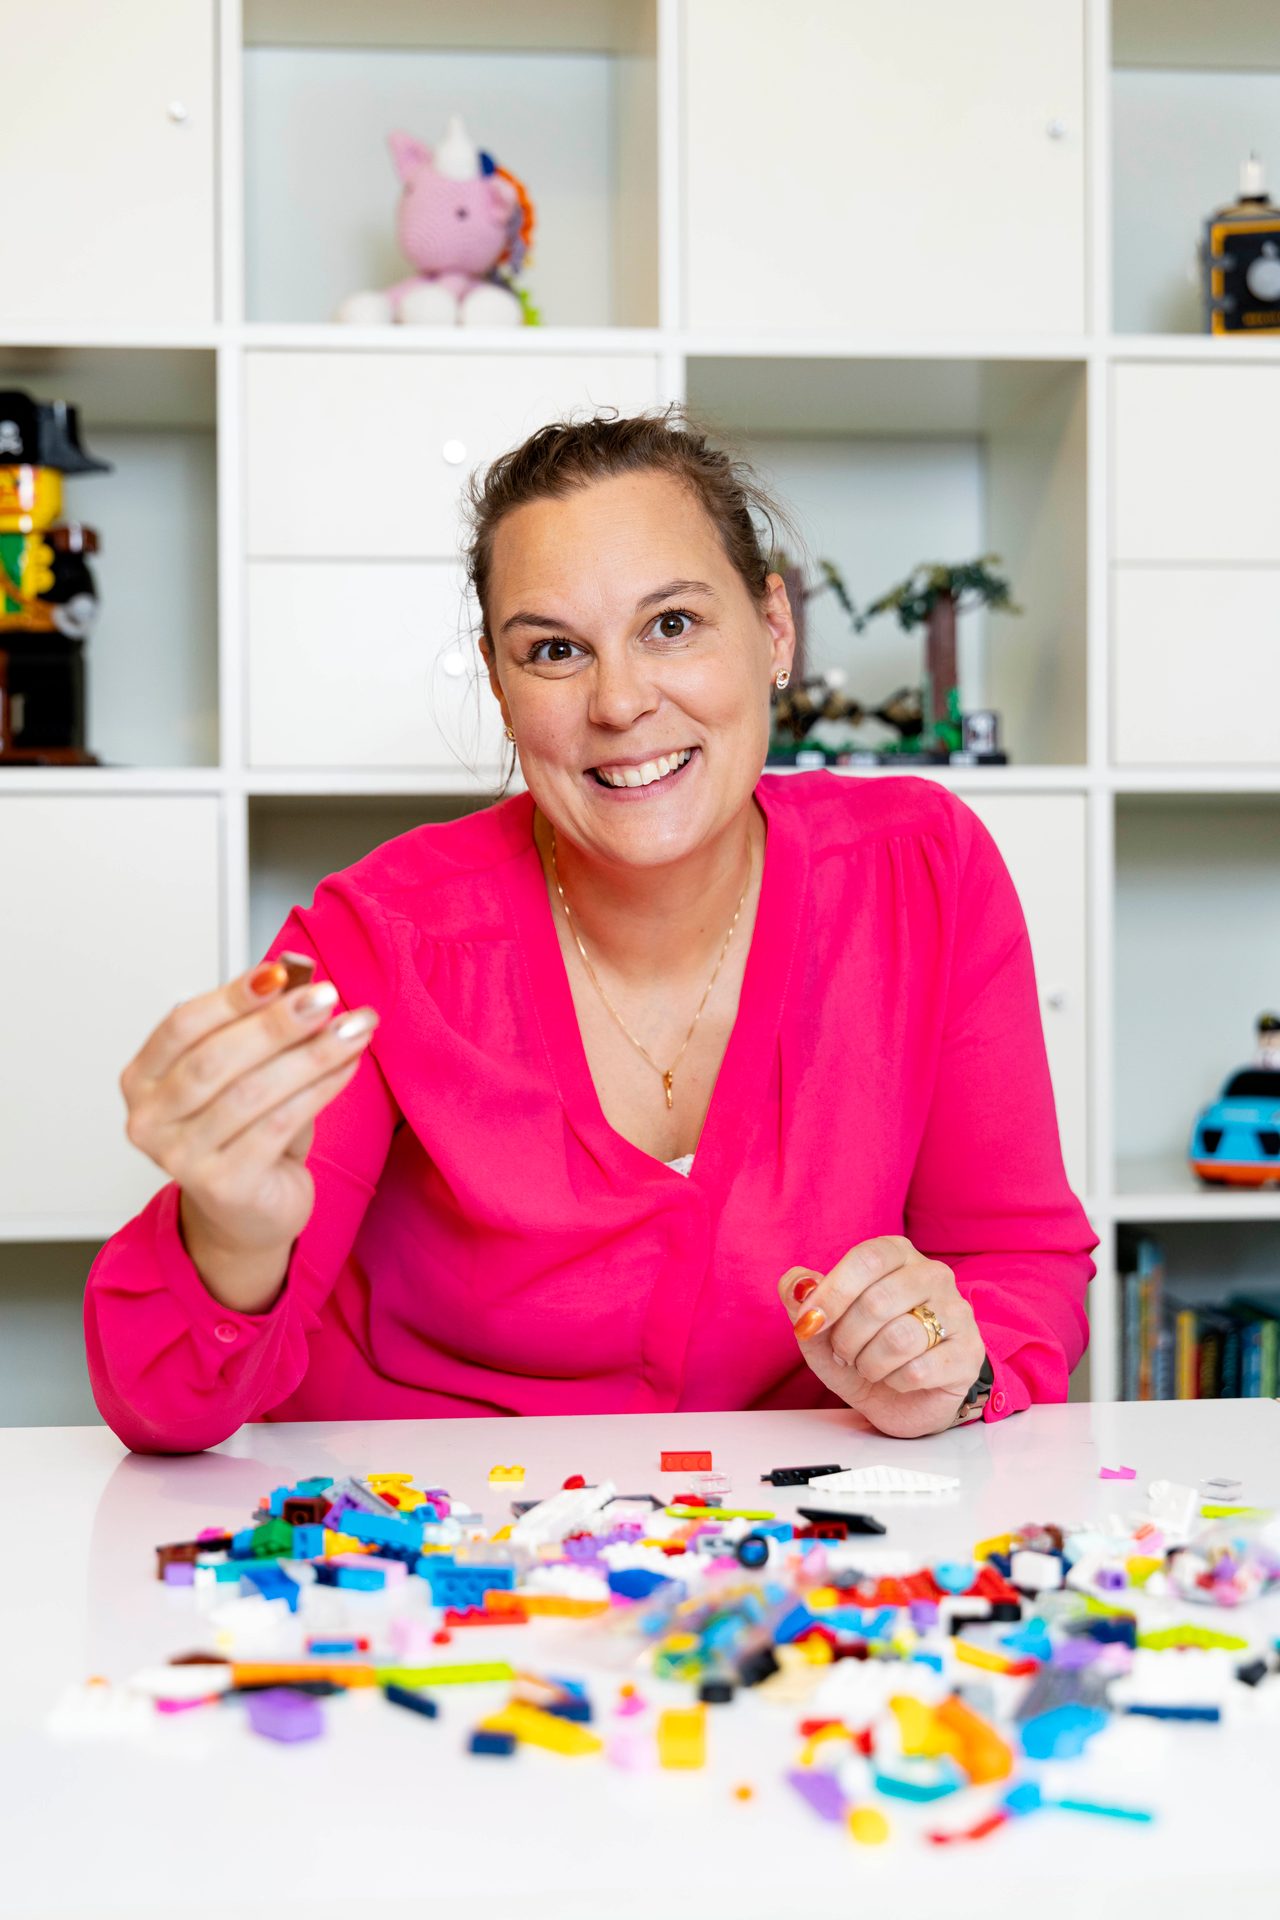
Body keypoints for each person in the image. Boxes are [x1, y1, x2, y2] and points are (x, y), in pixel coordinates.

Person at [85, 409, 1098, 1454]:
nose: (618, 702)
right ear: (499, 682)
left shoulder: (921, 870)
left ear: (774, 630)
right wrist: (231, 1232)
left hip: (791, 1561)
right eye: (555, 650)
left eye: (671, 625)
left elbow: (1017, 1264)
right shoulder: (372, 942)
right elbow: (166, 1407)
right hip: (427, 1560)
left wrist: (951, 1364)